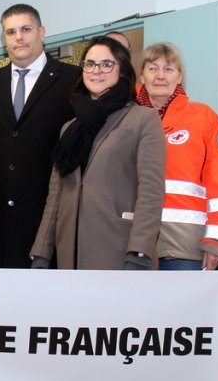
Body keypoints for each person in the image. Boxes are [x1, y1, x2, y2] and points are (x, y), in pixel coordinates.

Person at [30, 35, 165, 270]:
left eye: (106, 64)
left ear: (122, 70)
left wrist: (139, 250)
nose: (96, 71)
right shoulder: (70, 128)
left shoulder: (143, 119)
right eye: (90, 64)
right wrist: (42, 250)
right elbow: (56, 197)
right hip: (70, 254)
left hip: (120, 251)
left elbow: (151, 191)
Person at [0, 4, 81, 268]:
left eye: (26, 29)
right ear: (4, 39)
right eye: (11, 32)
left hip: (50, 221)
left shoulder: (72, 80)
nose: (19, 37)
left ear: (41, 32)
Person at [136, 42, 218, 270]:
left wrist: (217, 240)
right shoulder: (125, 119)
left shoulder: (203, 117)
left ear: (179, 76)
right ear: (141, 75)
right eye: (152, 68)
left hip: (184, 246)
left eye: (169, 69)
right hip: (132, 244)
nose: (160, 76)